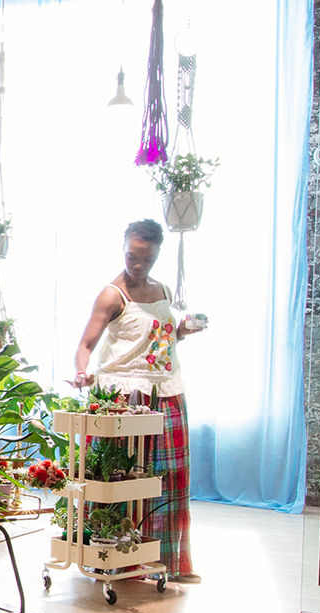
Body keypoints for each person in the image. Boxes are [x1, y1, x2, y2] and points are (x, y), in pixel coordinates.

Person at [68, 219, 207, 584]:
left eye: (146, 258)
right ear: (124, 249)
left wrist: (183, 331)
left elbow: (159, 344)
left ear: (158, 254)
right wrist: (82, 373)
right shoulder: (112, 295)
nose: (138, 264)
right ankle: (113, 558)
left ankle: (166, 561)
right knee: (119, 479)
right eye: (132, 256)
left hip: (166, 391)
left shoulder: (162, 289)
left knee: (167, 479)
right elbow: (85, 346)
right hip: (124, 396)